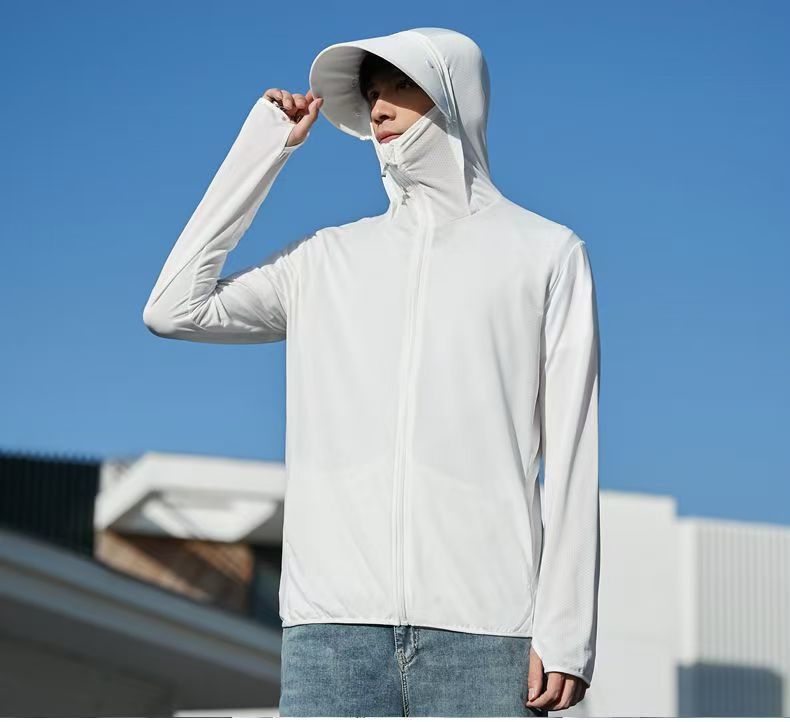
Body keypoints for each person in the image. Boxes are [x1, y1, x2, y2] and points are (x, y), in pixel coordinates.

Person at [143, 27, 601, 718]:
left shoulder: (545, 253)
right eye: (372, 93)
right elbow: (174, 308)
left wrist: (566, 630)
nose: (379, 107)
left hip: (487, 634)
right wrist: (263, 149)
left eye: (402, 86)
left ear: (455, 96)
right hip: (332, 636)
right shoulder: (324, 260)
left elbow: (572, 449)